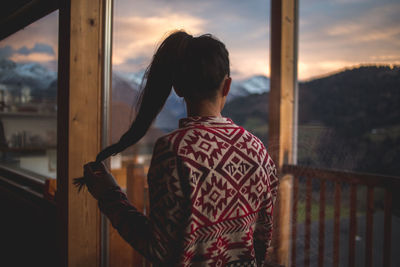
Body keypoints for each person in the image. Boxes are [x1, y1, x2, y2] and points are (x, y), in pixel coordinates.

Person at [82, 30, 279, 267]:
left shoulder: (174, 152)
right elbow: (263, 238)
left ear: (178, 88)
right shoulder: (257, 150)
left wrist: (109, 196)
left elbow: (158, 249)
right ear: (227, 86)